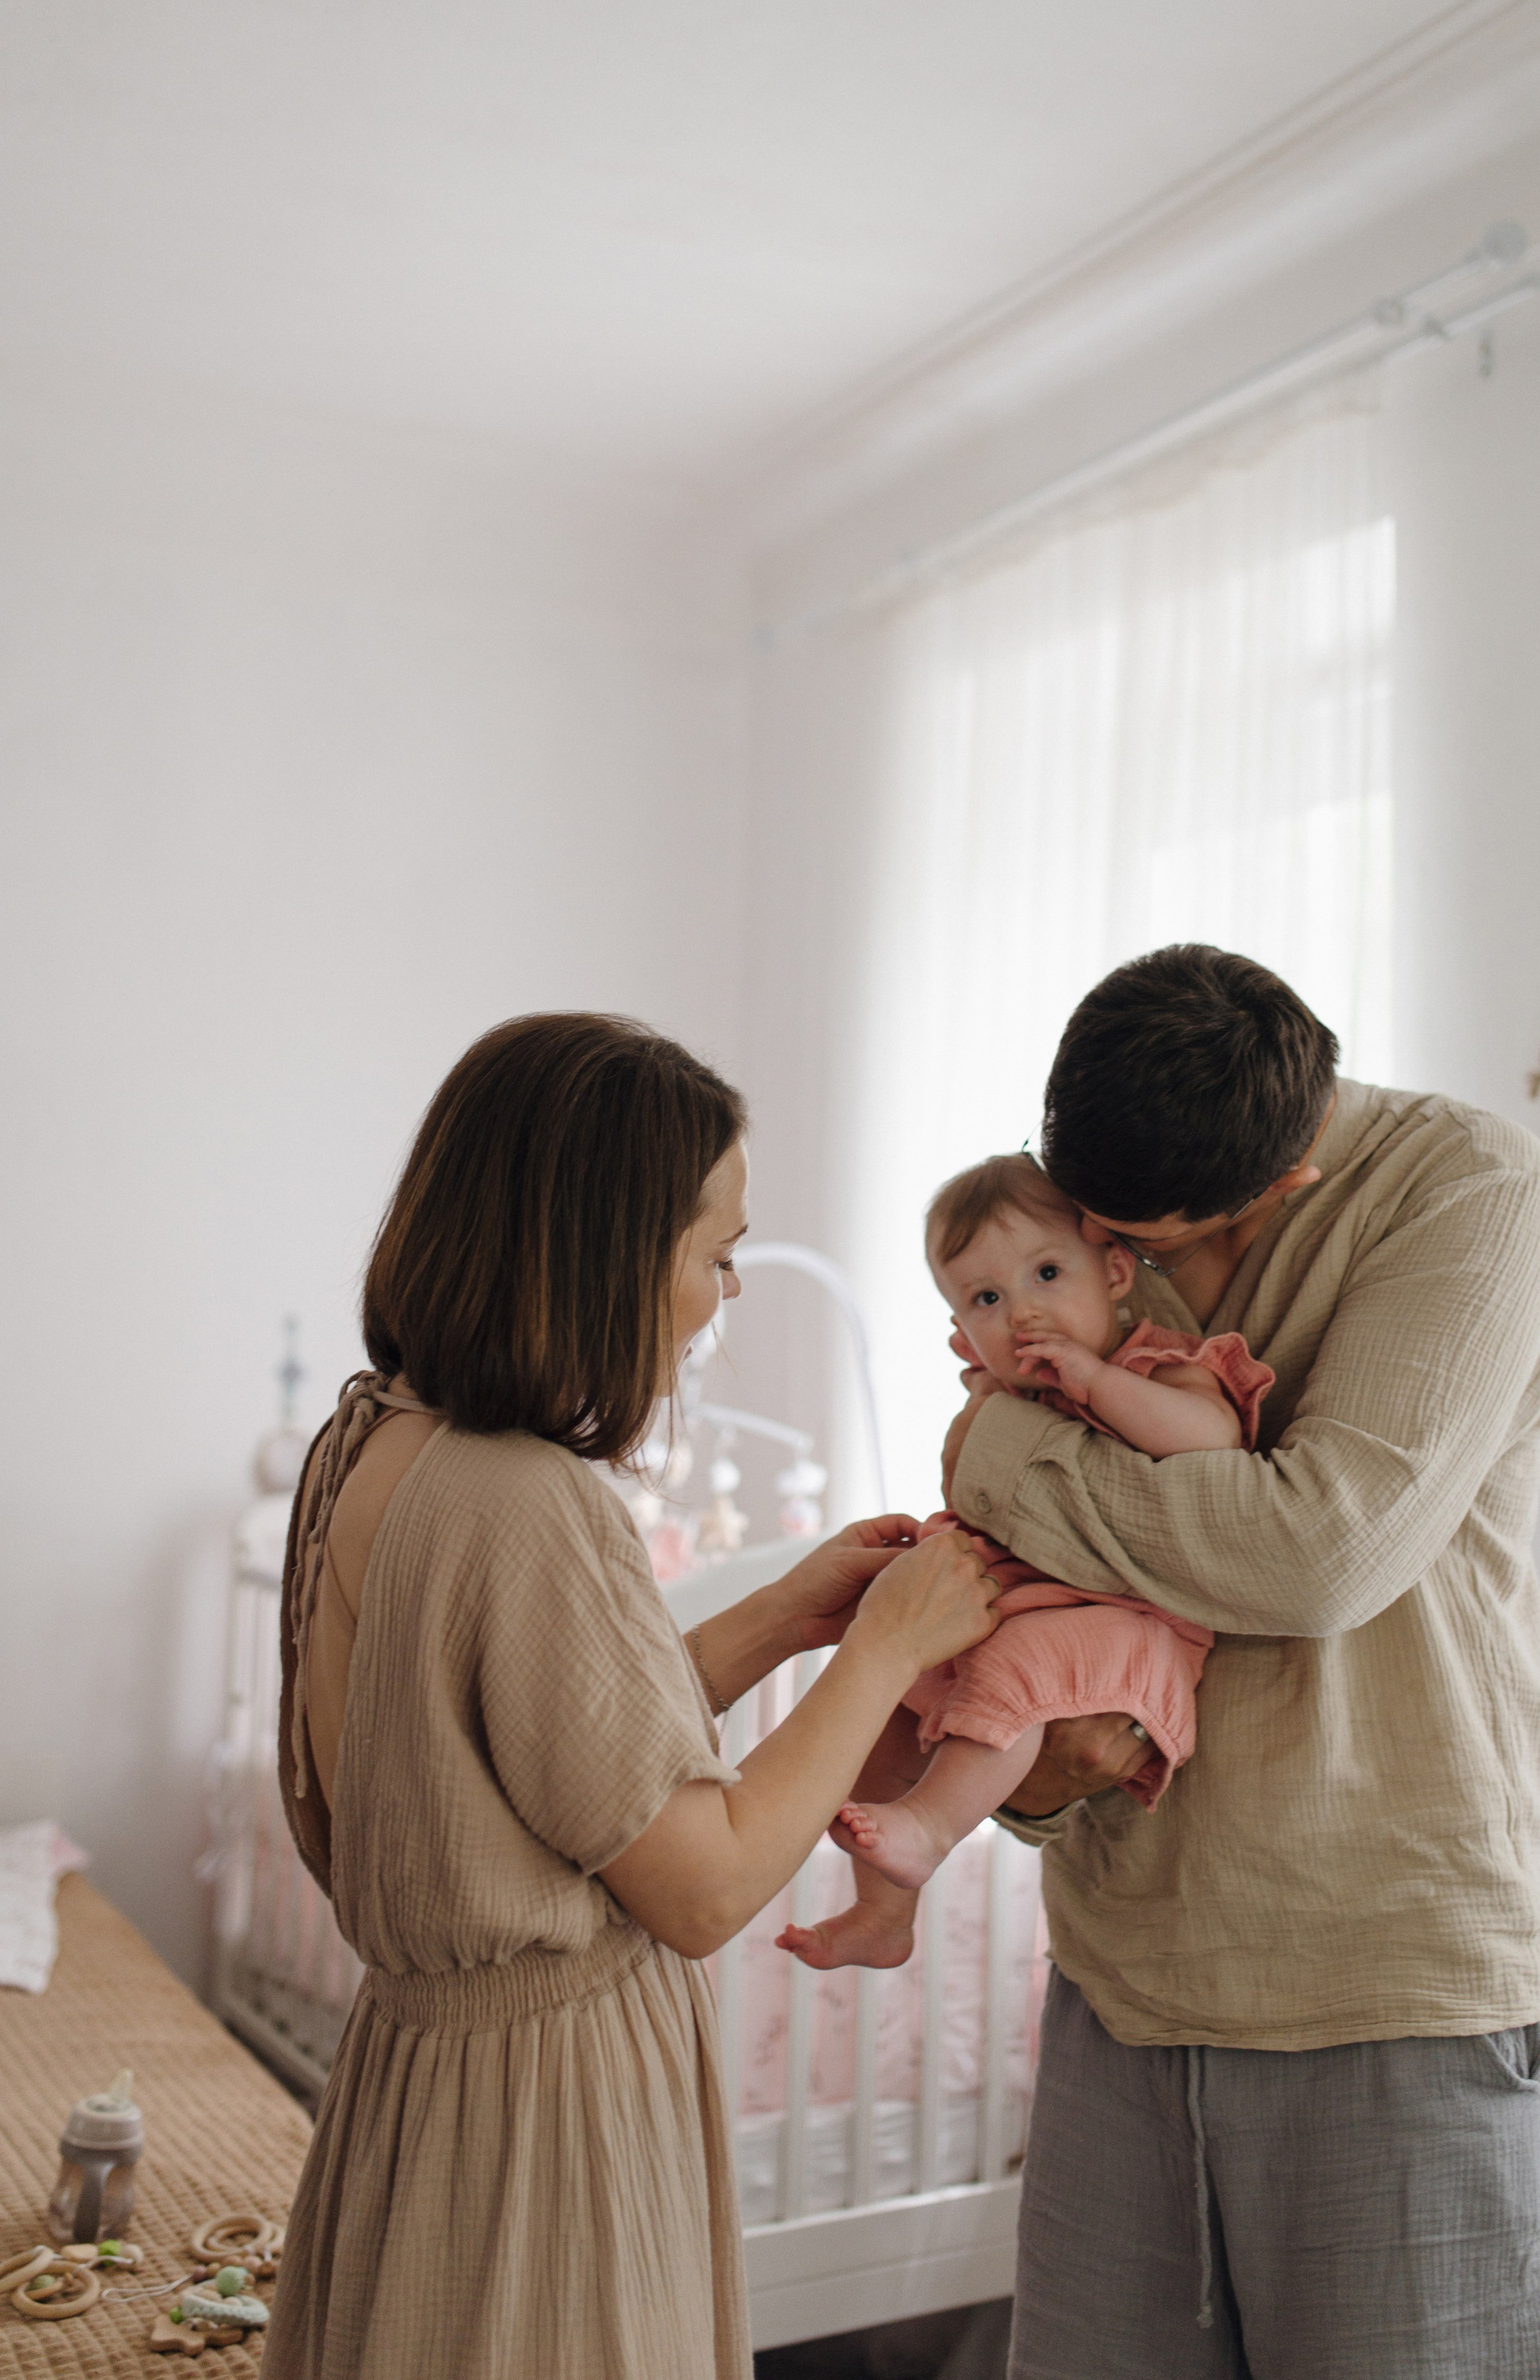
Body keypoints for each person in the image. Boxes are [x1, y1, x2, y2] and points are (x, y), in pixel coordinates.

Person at [262, 1013, 1000, 2380]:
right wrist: (884, 1650)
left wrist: (779, 1619)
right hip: (544, 2121)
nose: (726, 1295)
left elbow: (527, 1761)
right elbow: (705, 1882)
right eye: (715, 1256)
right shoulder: (528, 1502)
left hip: (428, 2095)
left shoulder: (377, 1436)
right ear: (603, 1253)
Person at [941, 946, 1540, 2380]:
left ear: (1277, 1187)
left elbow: (1316, 1559)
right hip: (1126, 1973)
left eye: (1158, 1243)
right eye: (1103, 1235)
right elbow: (1036, 1575)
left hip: (1381, 1983)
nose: (1122, 1271)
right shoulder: (1101, 1194)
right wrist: (1034, 1777)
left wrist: (1000, 1449)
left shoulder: (1466, 1192)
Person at [777, 1153, 1268, 1972]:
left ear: (1114, 1271)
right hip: (1016, 1594)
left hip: (1128, 1629)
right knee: (891, 1690)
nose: (1024, 1311)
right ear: (961, 1332)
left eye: (1046, 1273)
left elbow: (1209, 1439)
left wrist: (1095, 1379)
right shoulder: (998, 1395)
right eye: (988, 1300)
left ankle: (931, 1831)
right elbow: (966, 1482)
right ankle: (880, 1910)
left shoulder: (1161, 1363)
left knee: (1015, 1663)